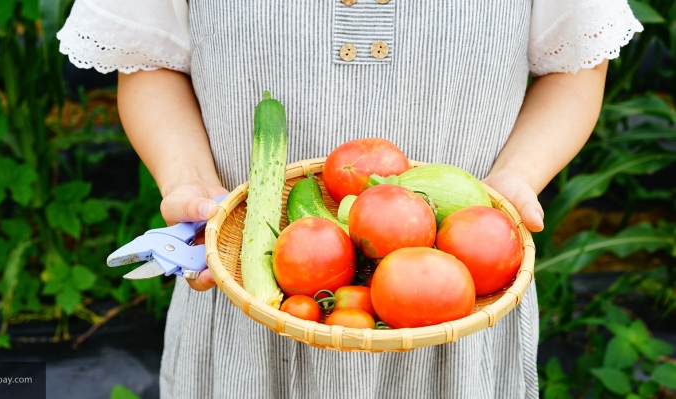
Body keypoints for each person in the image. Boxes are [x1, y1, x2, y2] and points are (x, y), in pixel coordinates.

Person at [58, 1, 642, 397]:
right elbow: (149, 60)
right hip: (248, 294)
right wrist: (187, 182)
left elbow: (577, 60)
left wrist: (516, 179)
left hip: (459, 311)